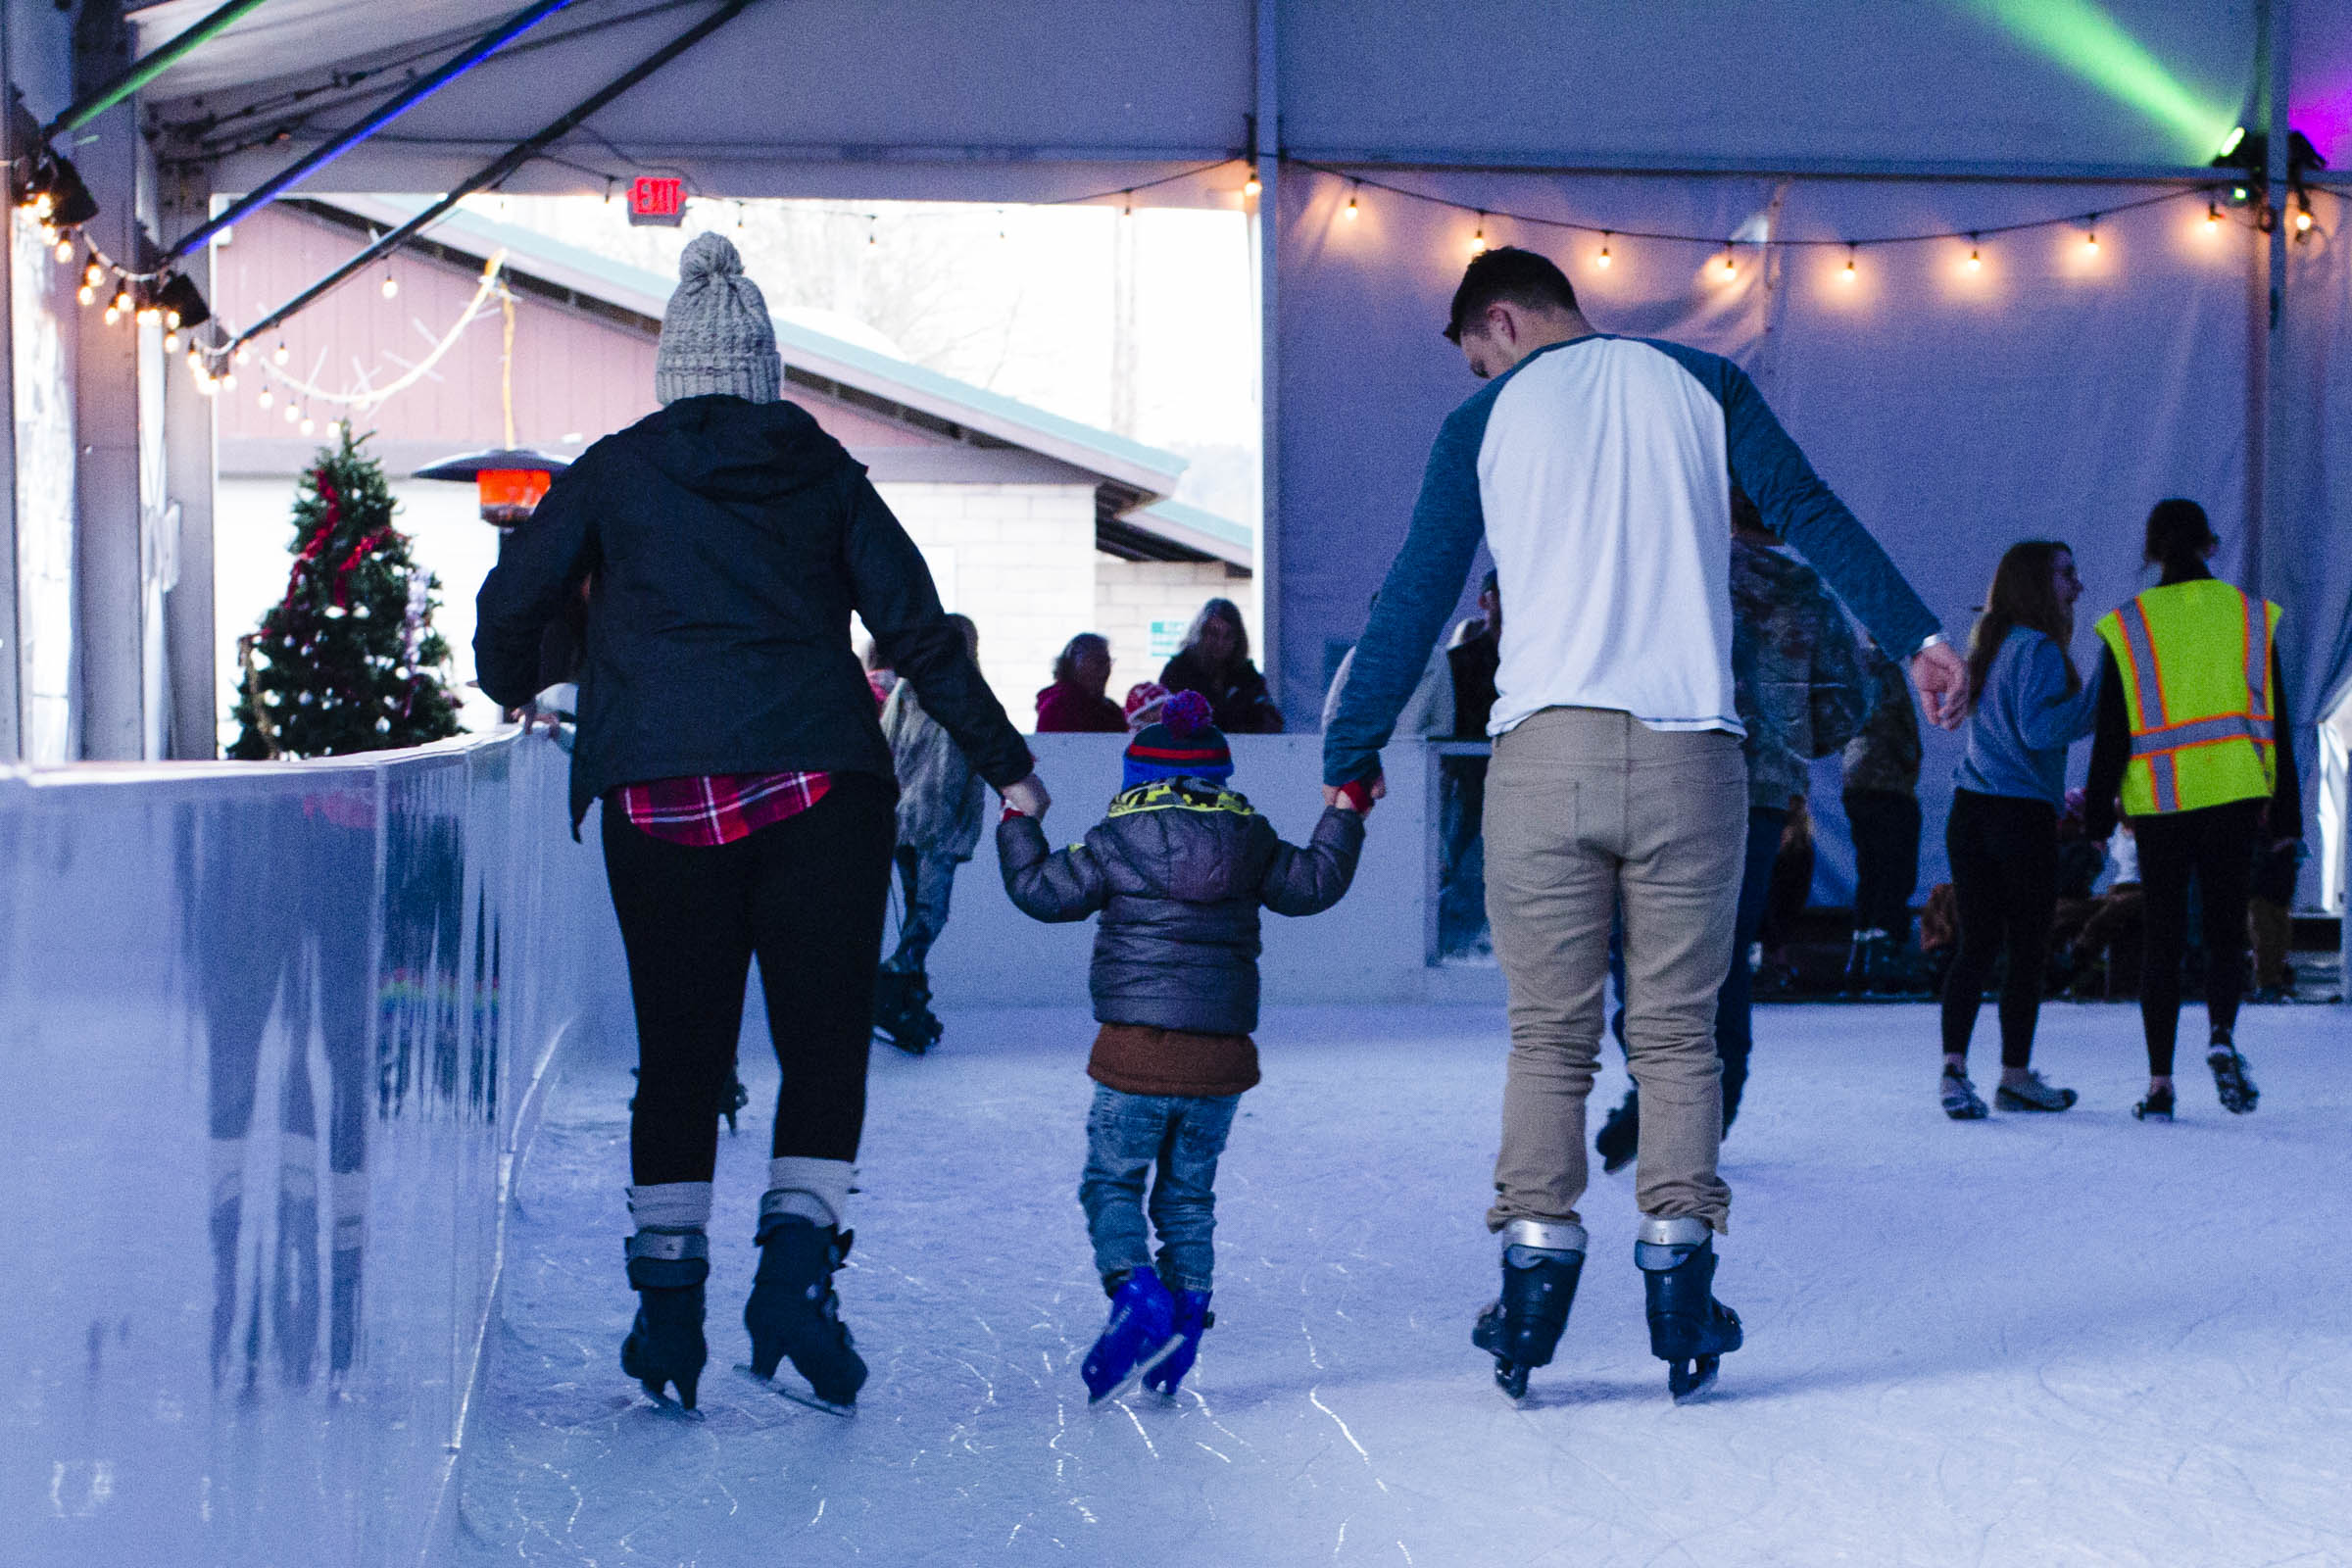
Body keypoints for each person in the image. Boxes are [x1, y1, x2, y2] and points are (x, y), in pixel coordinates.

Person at [1324, 246, 1961, 1402]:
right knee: (1676, 1038)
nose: (1479, 375)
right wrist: (1917, 632)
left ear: (1503, 324)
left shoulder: (1484, 426)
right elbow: (1806, 511)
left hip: (1545, 756)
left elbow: (1419, 589)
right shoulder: (1703, 385)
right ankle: (1681, 1285)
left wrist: (1348, 750)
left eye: (1477, 356)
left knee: (1548, 1039)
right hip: (1691, 757)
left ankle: (1530, 1285)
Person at [474, 233, 1047, 1412]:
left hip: (660, 798)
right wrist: (1010, 769)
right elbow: (919, 628)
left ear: (676, 373)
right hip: (818, 796)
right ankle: (793, 1283)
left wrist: (513, 682)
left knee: (681, 1057)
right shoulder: (825, 470)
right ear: (765, 370)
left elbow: (508, 598)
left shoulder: (617, 470)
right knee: (822, 1047)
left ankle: (666, 1319)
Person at [999, 690, 1364, 1401]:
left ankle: (1137, 1292)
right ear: (1219, 777)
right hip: (1218, 1064)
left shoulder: (1114, 840)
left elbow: (1041, 892)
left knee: (1112, 1183)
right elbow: (1315, 882)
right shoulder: (1250, 838)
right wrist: (1344, 812)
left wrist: (1020, 819)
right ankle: (1187, 1313)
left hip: (1134, 1056)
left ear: (1138, 777)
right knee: (1189, 1198)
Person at [1593, 495, 1866, 1173]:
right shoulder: (1806, 591)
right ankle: (1713, 1107)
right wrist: (1793, 737)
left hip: (1661, 776)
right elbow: (1847, 702)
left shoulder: (1667, 573)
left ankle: (1655, 1087)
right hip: (1756, 793)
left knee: (1639, 943)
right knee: (1723, 954)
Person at [2084, 499, 2300, 1122]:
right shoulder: (2250, 617)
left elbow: (2111, 734)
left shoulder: (2129, 626)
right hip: (2235, 795)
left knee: (2164, 938)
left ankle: (2159, 1085)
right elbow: (2279, 721)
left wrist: (2098, 820)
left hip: (2161, 801)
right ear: (2211, 544)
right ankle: (2222, 1036)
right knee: (2227, 930)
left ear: (2152, 552)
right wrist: (2286, 816)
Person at [1936, 540, 2100, 1121]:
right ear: (2035, 583)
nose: (2077, 586)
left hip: (1971, 810)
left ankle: (1955, 1071)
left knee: (1975, 945)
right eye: (2066, 574)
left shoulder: (1991, 643)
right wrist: (2106, 691)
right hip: (2019, 816)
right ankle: (2014, 1075)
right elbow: (2039, 730)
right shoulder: (2040, 651)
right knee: (2028, 948)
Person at [875, 613, 989, 1055]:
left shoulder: (910, 688)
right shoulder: (958, 692)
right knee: (931, 912)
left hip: (908, 817)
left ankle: (907, 1001)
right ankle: (894, 981)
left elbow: (887, 745)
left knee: (918, 912)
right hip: (934, 821)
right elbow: (947, 762)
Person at [1840, 632, 1926, 989]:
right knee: (1894, 870)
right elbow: (1890, 720)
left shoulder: (1853, 665)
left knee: (1871, 869)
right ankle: (1884, 956)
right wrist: (1911, 757)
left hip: (1858, 777)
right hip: (1885, 780)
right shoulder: (1882, 667)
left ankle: (1861, 958)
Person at [1321, 591, 1455, 735]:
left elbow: (1444, 725)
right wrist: (1360, 744)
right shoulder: (1357, 657)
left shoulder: (1436, 659)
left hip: (1413, 755)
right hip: (1362, 754)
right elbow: (1332, 719)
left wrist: (1410, 744)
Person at [1160, 598, 1284, 733]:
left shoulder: (1247, 675)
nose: (1220, 643)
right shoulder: (1177, 672)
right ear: (1200, 633)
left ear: (1237, 640)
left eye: (1228, 636)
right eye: (1213, 634)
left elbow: (1272, 720)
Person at [1448, 570, 1504, 738]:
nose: (1511, 599)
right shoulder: (1458, 661)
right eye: (1501, 592)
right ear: (1483, 601)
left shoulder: (1533, 659)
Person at [1036, 633, 1128, 733]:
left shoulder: (1112, 711)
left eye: (1107, 661)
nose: (1105, 669)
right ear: (1073, 666)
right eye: (1097, 661)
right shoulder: (1055, 708)